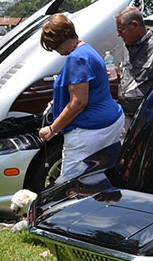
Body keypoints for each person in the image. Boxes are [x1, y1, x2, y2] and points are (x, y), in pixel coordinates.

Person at [38, 14, 124, 182]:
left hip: (89, 130)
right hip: (110, 120)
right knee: (100, 176)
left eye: (53, 46)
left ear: (57, 40)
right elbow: (91, 87)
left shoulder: (76, 58)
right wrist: (60, 100)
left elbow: (78, 102)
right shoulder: (87, 50)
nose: (56, 51)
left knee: (72, 185)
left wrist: (52, 130)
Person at [113, 7, 153, 127]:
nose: (118, 34)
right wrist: (117, 78)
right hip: (127, 119)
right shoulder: (125, 48)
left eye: (120, 29)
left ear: (135, 25)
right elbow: (132, 80)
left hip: (151, 121)